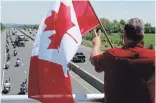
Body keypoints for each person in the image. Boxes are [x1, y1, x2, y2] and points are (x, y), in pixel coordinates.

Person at [90, 18, 155, 103]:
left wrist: (97, 43)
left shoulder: (111, 55)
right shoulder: (153, 57)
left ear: (124, 35)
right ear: (142, 37)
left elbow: (94, 59)